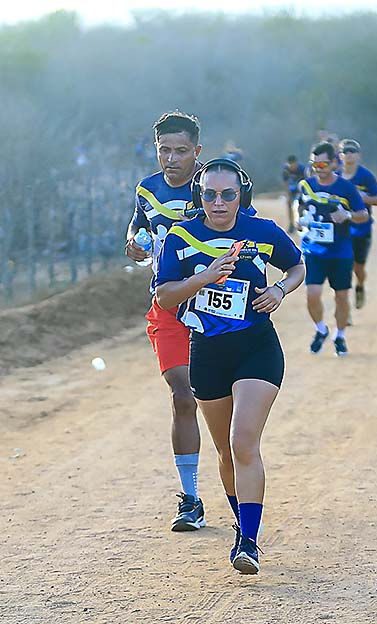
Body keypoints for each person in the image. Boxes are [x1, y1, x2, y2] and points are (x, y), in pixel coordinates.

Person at [155, 159, 305, 574]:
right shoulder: (180, 237)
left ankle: (249, 542)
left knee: (243, 443)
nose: (218, 203)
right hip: (206, 351)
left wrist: (279, 289)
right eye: (209, 194)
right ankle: (242, 525)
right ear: (198, 196)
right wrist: (202, 278)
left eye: (228, 194)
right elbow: (165, 297)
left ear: (242, 195)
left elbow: (297, 266)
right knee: (224, 450)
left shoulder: (262, 231)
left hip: (257, 347)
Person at [124, 111, 209, 532]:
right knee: (182, 395)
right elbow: (140, 222)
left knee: (217, 403)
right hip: (168, 307)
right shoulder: (147, 188)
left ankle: (237, 480)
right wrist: (133, 242)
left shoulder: (213, 188)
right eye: (164, 150)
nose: (171, 159)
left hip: (215, 307)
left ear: (197, 151)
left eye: (181, 151)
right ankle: (190, 497)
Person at [298, 142, 369, 356]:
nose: (319, 167)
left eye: (323, 163)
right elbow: (299, 206)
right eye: (315, 163)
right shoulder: (306, 185)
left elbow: (363, 214)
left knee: (341, 296)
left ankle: (340, 336)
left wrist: (347, 215)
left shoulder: (346, 188)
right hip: (313, 250)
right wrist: (300, 220)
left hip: (340, 251)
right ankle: (320, 329)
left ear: (334, 163)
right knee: (312, 293)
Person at [337, 139, 377, 310]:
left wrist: (359, 197)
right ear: (340, 156)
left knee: (358, 268)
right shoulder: (335, 177)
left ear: (359, 155)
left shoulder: (366, 176)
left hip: (362, 229)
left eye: (352, 151)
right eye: (345, 151)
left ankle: (360, 286)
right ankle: (344, 306)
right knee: (343, 268)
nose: (349, 154)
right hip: (341, 230)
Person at [282, 155, 307, 233]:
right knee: (289, 205)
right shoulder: (285, 170)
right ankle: (291, 224)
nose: (292, 166)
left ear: (296, 163)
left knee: (300, 207)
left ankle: (300, 223)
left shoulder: (302, 169)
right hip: (292, 189)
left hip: (301, 189)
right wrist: (288, 194)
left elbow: (306, 182)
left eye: (293, 164)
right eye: (290, 164)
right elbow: (285, 182)